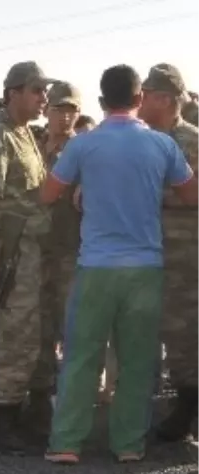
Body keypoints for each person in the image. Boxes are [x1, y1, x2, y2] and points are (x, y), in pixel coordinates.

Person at [42, 64, 199, 464]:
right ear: (139, 98)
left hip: (96, 265)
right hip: (147, 266)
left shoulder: (84, 144)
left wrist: (85, 189)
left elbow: (47, 194)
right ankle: (128, 444)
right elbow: (192, 195)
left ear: (100, 100)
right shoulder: (163, 146)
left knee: (81, 355)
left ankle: (66, 443)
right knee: (138, 358)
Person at [0, 61, 54, 452]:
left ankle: (14, 415)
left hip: (30, 253)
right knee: (15, 337)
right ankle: (1, 424)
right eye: (36, 90)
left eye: (44, 91)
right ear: (13, 93)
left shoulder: (25, 135)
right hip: (11, 255)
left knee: (28, 335)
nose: (43, 98)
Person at [138, 64, 199, 442]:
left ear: (164, 98)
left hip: (185, 252)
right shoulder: (144, 138)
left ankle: (187, 408)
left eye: (145, 94)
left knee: (185, 332)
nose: (138, 100)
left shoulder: (189, 140)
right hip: (152, 250)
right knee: (166, 331)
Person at [32, 80, 84, 429]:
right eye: (58, 109)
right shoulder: (32, 145)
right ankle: (39, 398)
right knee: (37, 326)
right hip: (36, 250)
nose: (64, 117)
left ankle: (73, 403)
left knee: (72, 328)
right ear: (46, 110)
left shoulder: (85, 150)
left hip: (71, 249)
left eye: (71, 111)